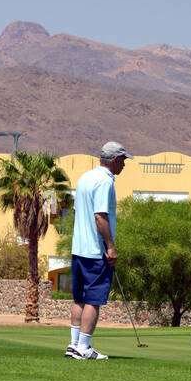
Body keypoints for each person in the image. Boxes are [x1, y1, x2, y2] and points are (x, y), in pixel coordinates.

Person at [66, 141, 131, 360]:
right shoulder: (105, 182)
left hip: (78, 250)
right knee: (93, 300)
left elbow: (77, 213)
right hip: (96, 252)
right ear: (115, 160)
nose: (124, 165)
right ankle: (83, 347)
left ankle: (73, 345)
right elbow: (100, 216)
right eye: (123, 160)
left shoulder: (85, 177)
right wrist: (110, 247)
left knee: (79, 299)